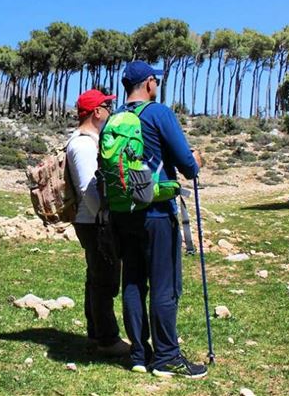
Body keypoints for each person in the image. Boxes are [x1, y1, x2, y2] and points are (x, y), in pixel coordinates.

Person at [111, 61, 206, 378]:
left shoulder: (115, 118)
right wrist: (196, 162)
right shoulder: (159, 113)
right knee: (165, 286)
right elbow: (187, 166)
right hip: (157, 212)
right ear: (149, 83)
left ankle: (139, 354)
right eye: (156, 80)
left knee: (134, 282)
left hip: (125, 212)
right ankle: (166, 357)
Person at [67, 89, 129, 356]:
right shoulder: (82, 144)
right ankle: (107, 339)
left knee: (96, 278)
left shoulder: (88, 141)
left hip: (93, 219)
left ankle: (97, 334)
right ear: (97, 112)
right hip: (94, 221)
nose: (109, 110)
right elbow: (87, 189)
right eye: (107, 105)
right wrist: (107, 218)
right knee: (104, 280)